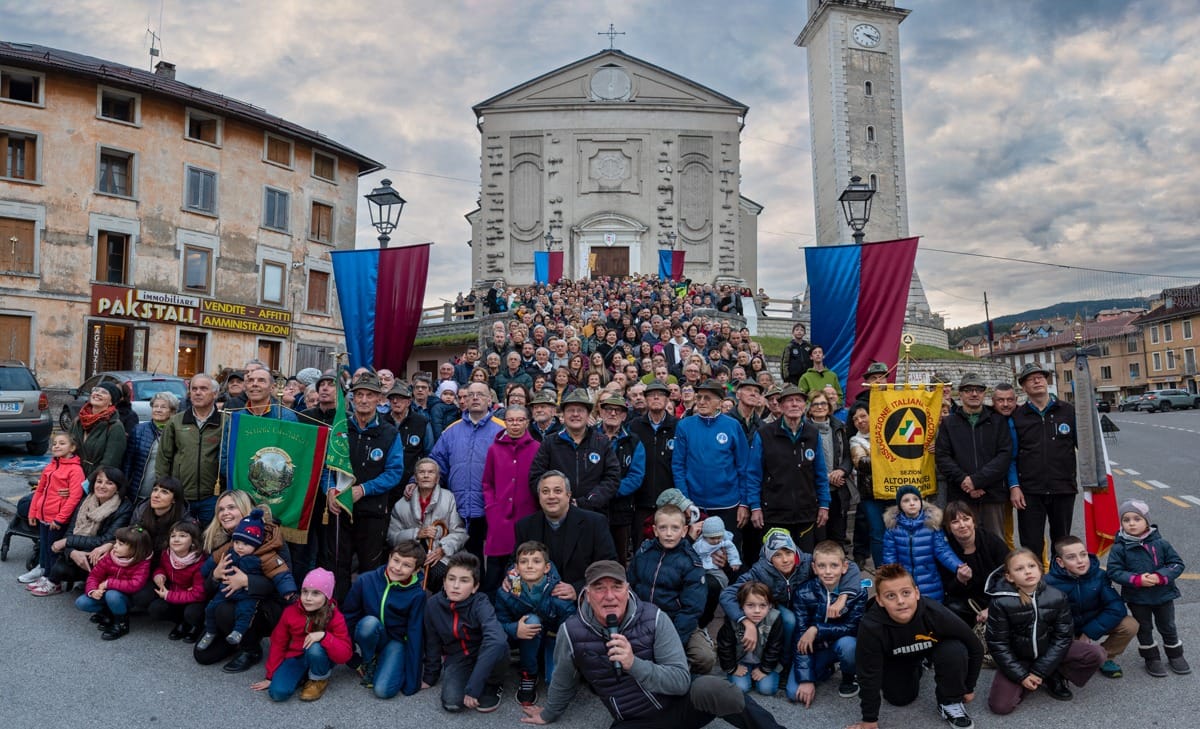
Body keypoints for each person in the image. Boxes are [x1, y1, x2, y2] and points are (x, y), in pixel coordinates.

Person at [520, 560, 787, 729]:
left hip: (680, 705)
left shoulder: (654, 617)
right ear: (587, 595)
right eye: (599, 588)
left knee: (713, 686)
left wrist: (634, 664)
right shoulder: (572, 631)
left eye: (616, 586)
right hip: (635, 719)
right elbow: (564, 678)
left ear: (628, 590)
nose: (609, 596)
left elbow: (681, 681)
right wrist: (549, 714)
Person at [850, 563, 983, 729]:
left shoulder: (934, 612)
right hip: (897, 657)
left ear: (917, 593)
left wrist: (968, 687)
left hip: (934, 647)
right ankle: (917, 667)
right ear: (879, 600)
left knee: (955, 650)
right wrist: (869, 719)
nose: (900, 601)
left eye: (906, 593)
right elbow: (868, 673)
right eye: (890, 596)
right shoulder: (871, 626)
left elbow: (975, 646)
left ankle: (948, 702)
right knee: (899, 699)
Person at [721, 528, 862, 678]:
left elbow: (850, 566)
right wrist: (745, 621)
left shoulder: (807, 561)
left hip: (804, 606)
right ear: (769, 558)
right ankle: (785, 664)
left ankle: (815, 660)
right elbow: (727, 594)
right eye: (777, 555)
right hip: (781, 609)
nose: (786, 559)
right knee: (789, 619)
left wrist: (843, 597)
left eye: (789, 553)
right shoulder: (759, 572)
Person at [984, 547, 1105, 714]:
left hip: (1048, 651)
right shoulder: (1000, 603)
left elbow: (1063, 637)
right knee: (1001, 707)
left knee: (1096, 654)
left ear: (1040, 569)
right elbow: (998, 644)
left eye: (1031, 566)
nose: (1027, 572)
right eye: (1019, 569)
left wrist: (1040, 670)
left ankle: (1053, 674)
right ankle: (1033, 679)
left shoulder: (1057, 596)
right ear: (1009, 577)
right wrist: (1022, 676)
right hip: (1019, 658)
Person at [325, 372, 405, 601]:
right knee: (337, 564)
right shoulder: (340, 429)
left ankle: (366, 616)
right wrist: (329, 490)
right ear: (352, 398)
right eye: (359, 394)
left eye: (369, 395)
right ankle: (337, 614)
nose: (363, 400)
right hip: (339, 509)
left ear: (379, 399)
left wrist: (364, 489)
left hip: (372, 512)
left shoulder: (389, 433)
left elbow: (394, 472)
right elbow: (326, 466)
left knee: (369, 568)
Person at [195, 492, 292, 673]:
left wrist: (247, 581)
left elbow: (282, 581)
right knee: (203, 655)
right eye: (221, 509)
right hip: (227, 600)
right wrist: (215, 576)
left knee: (224, 610)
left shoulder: (270, 537)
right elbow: (206, 589)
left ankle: (251, 649)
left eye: (231, 507)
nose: (225, 513)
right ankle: (234, 637)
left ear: (246, 509)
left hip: (263, 605)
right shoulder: (220, 538)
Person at [628, 503, 714, 675]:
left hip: (676, 622)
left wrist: (673, 641)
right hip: (642, 620)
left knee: (704, 657)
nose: (668, 533)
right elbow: (630, 588)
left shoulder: (691, 562)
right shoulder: (643, 553)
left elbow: (691, 609)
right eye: (663, 527)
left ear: (684, 531)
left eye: (675, 528)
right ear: (655, 530)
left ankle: (682, 675)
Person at [1105, 499, 1189, 676]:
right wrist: (1136, 579)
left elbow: (1176, 564)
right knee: (1144, 627)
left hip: (1163, 594)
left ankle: (1175, 654)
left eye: (1137, 518)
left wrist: (1160, 576)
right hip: (1138, 598)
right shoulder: (1120, 548)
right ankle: (1151, 658)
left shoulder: (1161, 543)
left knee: (1168, 625)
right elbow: (1114, 571)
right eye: (1126, 520)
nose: (1132, 523)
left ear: (1146, 521)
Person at [429, 380, 506, 564]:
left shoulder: (503, 429)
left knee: (493, 560)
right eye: (470, 395)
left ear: (489, 400)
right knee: (464, 560)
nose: (475, 398)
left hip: (491, 507)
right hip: (459, 506)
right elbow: (436, 462)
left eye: (480, 394)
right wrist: (413, 482)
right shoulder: (451, 431)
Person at [672, 379, 754, 552]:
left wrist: (745, 504)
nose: (701, 401)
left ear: (720, 402)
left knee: (729, 555)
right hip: (695, 506)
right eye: (699, 397)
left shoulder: (732, 426)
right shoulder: (684, 425)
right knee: (697, 555)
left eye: (707, 398)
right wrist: (685, 502)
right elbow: (678, 466)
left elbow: (744, 467)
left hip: (729, 505)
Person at [747, 384, 829, 556]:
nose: (794, 404)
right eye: (789, 401)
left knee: (805, 562)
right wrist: (755, 507)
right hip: (774, 513)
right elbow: (753, 474)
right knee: (777, 562)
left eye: (798, 400)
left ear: (804, 406)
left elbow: (820, 474)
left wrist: (824, 504)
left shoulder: (813, 434)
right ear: (781, 405)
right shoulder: (764, 433)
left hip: (806, 513)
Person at [421, 553, 507, 713]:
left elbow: (496, 640)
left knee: (500, 644)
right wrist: (430, 677)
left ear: (475, 587)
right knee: (452, 704)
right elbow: (432, 642)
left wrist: (474, 688)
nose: (455, 585)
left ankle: (493, 683)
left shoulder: (481, 602)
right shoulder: (433, 605)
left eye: (464, 580)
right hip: (458, 657)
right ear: (444, 582)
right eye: (451, 579)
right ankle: (472, 676)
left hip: (484, 652)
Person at [493, 541, 576, 706]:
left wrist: (560, 641)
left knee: (555, 681)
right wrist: (515, 628)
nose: (530, 566)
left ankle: (556, 665)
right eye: (524, 562)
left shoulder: (557, 591)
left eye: (536, 561)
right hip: (525, 636)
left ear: (546, 568)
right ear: (516, 568)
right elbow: (497, 622)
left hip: (552, 637)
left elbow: (572, 621)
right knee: (532, 620)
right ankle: (528, 674)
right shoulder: (508, 591)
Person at [1045, 534, 1139, 679]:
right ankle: (1067, 661)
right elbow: (1047, 618)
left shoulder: (1099, 576)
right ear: (1060, 562)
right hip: (1066, 629)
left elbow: (1116, 607)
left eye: (1083, 555)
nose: (1080, 561)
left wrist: (1089, 632)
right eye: (1071, 557)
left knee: (1130, 625)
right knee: (1065, 656)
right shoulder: (1048, 583)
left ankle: (1105, 657)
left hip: (1091, 622)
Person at [343, 541, 428, 699]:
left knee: (382, 691)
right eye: (395, 560)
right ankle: (369, 660)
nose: (397, 568)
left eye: (406, 565)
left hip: (396, 642)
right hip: (372, 633)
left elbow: (415, 634)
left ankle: (389, 661)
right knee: (369, 623)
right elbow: (348, 618)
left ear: (416, 570)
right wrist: (352, 658)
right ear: (389, 557)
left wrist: (412, 681)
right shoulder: (365, 580)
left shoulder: (417, 595)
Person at [251, 568, 352, 702]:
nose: (308, 598)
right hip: (296, 657)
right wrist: (271, 676)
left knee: (314, 648)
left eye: (316, 593)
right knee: (277, 693)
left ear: (327, 596)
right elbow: (278, 643)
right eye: (305, 592)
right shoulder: (290, 612)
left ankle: (318, 678)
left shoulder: (334, 616)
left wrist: (324, 636)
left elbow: (345, 655)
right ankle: (303, 675)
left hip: (321, 656)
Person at [1010, 362, 1076, 562]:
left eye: (1040, 376)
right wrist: (1014, 486)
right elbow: (1011, 456)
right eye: (1031, 378)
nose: (1037, 380)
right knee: (1031, 544)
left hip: (1063, 488)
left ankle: (1062, 585)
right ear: (1023, 386)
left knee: (1062, 543)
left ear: (1046, 381)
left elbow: (1087, 446)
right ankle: (1035, 587)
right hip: (1030, 491)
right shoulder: (1017, 416)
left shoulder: (1067, 411)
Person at [513, 471, 618, 598]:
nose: (551, 496)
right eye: (545, 492)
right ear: (539, 496)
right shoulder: (525, 526)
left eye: (557, 491)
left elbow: (608, 567)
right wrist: (515, 585)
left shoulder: (594, 523)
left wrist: (578, 590)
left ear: (568, 495)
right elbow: (513, 565)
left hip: (582, 602)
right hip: (537, 602)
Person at [935, 373, 1012, 538]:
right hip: (960, 495)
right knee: (964, 541)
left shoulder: (998, 421)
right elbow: (943, 457)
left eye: (978, 390)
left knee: (995, 541)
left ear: (984, 394)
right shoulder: (949, 423)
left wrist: (977, 481)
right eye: (968, 390)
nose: (974, 394)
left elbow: (1004, 456)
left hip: (991, 494)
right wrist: (965, 481)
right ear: (960, 394)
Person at [790, 540, 867, 706]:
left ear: (844, 567)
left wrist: (817, 629)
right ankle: (827, 668)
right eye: (822, 566)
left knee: (849, 645)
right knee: (793, 692)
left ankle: (849, 676)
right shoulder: (803, 592)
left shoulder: (858, 592)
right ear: (814, 568)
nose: (828, 572)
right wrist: (806, 680)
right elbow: (800, 635)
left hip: (841, 642)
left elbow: (852, 628)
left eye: (834, 565)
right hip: (815, 647)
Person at [36, 466, 133, 594]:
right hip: (81, 548)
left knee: (94, 559)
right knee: (59, 568)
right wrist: (72, 552)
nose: (102, 486)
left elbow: (106, 540)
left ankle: (91, 583)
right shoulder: (86, 501)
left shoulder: (124, 508)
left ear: (118, 488)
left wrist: (67, 542)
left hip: (103, 552)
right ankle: (68, 581)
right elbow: (70, 531)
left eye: (109, 483)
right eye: (99, 481)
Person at [528, 389, 620, 513]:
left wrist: (588, 501)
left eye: (580, 410)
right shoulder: (549, 442)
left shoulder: (602, 442)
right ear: (563, 415)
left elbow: (612, 478)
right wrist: (558, 499)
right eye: (570, 410)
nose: (575, 414)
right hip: (556, 513)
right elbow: (536, 477)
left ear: (588, 415)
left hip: (594, 513)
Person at [481, 404, 540, 591]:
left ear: (527, 423)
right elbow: (487, 483)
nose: (515, 424)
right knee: (494, 573)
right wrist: (491, 507)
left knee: (519, 569)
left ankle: (514, 610)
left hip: (526, 518)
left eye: (520, 420)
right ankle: (489, 611)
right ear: (504, 422)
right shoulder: (494, 449)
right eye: (510, 420)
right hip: (499, 519)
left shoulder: (537, 448)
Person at [386, 457, 466, 594]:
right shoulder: (401, 504)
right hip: (411, 557)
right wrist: (416, 533)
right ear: (416, 478)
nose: (426, 475)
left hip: (440, 555)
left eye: (431, 472)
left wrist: (442, 550)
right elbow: (391, 538)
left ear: (437, 478)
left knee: (440, 573)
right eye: (421, 472)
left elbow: (459, 532)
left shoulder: (448, 498)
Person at [157, 373, 222, 525]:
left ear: (215, 393)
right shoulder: (176, 422)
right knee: (179, 537)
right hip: (182, 496)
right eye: (194, 389)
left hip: (212, 497)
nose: (198, 393)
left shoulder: (225, 422)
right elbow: (164, 458)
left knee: (208, 541)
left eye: (203, 389)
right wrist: (165, 490)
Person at [23, 432, 85, 592]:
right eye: (55, 443)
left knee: (53, 550)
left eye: (62, 443)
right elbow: (39, 490)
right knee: (44, 547)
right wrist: (33, 512)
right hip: (43, 516)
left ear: (72, 448)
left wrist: (59, 519)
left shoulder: (75, 470)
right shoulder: (50, 466)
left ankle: (53, 582)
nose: (56, 446)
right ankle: (45, 575)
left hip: (56, 520)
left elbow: (74, 497)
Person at [882, 486, 965, 603]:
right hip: (904, 581)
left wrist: (958, 566)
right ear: (900, 505)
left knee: (931, 612)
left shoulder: (931, 524)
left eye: (915, 499)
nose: (912, 503)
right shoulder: (893, 527)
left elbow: (943, 550)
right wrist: (891, 575)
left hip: (930, 580)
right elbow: (889, 555)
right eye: (906, 500)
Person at [73, 525, 153, 640]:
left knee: (113, 595)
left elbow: (135, 584)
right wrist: (93, 590)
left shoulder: (142, 563)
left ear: (135, 548)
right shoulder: (110, 557)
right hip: (105, 592)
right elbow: (94, 576)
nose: (114, 546)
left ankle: (121, 623)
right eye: (116, 542)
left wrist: (108, 583)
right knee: (82, 602)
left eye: (120, 544)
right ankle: (108, 613)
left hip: (125, 597)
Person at [940, 501, 1008, 631]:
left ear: (973, 521)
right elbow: (947, 588)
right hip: (967, 602)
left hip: (995, 598)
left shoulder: (991, 541)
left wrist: (992, 607)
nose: (962, 525)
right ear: (948, 527)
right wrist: (959, 580)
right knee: (951, 609)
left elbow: (1009, 576)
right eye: (955, 522)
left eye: (966, 519)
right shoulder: (946, 550)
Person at [597, 394, 645, 563]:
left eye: (618, 411)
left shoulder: (633, 441)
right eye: (608, 409)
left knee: (619, 558)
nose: (612, 414)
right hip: (593, 508)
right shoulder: (589, 436)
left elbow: (636, 477)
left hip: (622, 510)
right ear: (601, 412)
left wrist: (609, 490)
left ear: (624, 416)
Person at [717, 581, 785, 697]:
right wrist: (732, 668)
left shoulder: (774, 618)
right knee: (740, 688)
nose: (757, 610)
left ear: (770, 606)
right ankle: (744, 676)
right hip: (741, 661)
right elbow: (725, 645)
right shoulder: (733, 620)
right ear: (741, 605)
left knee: (767, 689)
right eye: (750, 605)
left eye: (762, 605)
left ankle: (761, 674)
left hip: (764, 661)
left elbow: (775, 647)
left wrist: (764, 669)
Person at [147, 520, 207, 642]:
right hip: (176, 592)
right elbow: (161, 568)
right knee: (156, 609)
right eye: (173, 536)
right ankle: (181, 622)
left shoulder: (200, 562)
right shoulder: (167, 554)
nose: (176, 539)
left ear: (193, 542)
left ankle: (196, 626)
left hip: (195, 599)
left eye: (182, 536)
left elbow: (199, 594)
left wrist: (169, 595)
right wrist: (159, 575)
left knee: (192, 613)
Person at [807, 389, 851, 548]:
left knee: (838, 536)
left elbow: (847, 455)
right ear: (810, 408)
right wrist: (825, 476)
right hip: (815, 492)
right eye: (815, 404)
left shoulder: (839, 427)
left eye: (823, 403)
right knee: (819, 537)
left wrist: (842, 471)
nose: (820, 407)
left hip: (838, 490)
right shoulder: (804, 430)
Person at [123, 391, 179, 502]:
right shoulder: (139, 430)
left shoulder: (177, 432)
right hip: (138, 493)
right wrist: (124, 488)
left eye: (163, 407)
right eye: (155, 406)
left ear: (172, 412)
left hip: (165, 495)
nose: (158, 410)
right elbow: (128, 463)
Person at [69, 381, 127, 479]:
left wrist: (87, 484)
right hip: (72, 477)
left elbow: (109, 463)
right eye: (96, 390)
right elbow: (66, 450)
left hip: (96, 481)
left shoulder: (115, 426)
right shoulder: (78, 421)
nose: (97, 393)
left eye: (104, 392)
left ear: (111, 402)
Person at [694, 515, 741, 589]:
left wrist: (734, 561)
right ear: (705, 536)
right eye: (712, 538)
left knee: (724, 579)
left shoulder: (724, 542)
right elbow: (692, 552)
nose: (716, 541)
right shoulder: (700, 544)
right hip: (700, 567)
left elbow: (732, 550)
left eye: (719, 537)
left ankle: (723, 593)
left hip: (715, 568)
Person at [780, 323, 813, 387]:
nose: (799, 332)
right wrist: (786, 377)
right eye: (797, 330)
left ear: (804, 333)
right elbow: (785, 362)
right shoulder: (789, 346)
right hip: (793, 377)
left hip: (807, 375)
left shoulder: (808, 346)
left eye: (801, 330)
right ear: (793, 332)